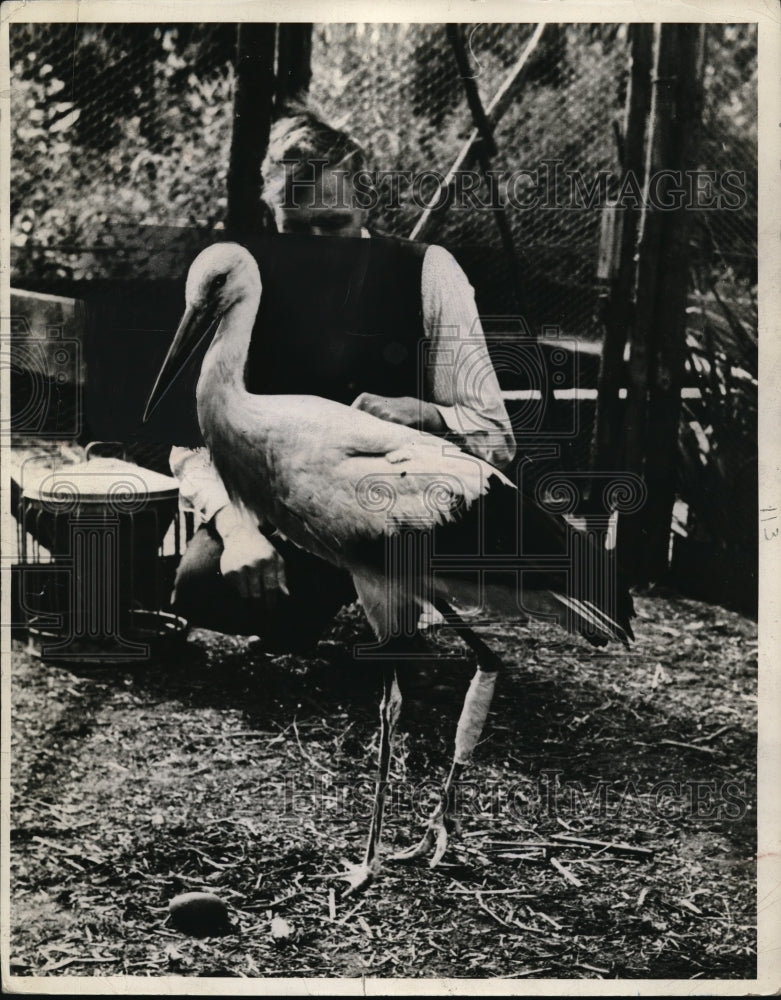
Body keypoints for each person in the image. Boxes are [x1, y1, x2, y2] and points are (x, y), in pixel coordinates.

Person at [169, 108, 516, 651]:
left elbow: (495, 438)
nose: (317, 247)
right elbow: (193, 445)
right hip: (292, 519)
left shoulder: (428, 273)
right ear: (272, 215)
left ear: (366, 203)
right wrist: (238, 533)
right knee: (201, 587)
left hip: (400, 516)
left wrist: (427, 415)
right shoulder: (243, 283)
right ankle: (314, 607)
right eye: (296, 227)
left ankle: (384, 609)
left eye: (333, 225)